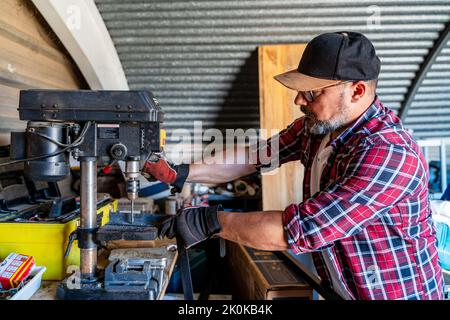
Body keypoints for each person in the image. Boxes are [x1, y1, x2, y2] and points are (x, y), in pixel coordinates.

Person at [143, 31, 445, 300]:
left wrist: (209, 222)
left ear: (356, 91)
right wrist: (181, 172)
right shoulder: (318, 128)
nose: (299, 100)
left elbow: (301, 229)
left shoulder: (388, 153)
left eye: (312, 92)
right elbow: (255, 156)